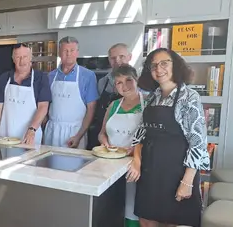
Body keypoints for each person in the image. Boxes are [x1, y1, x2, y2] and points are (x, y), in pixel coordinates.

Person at [131, 48, 209, 227]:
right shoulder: (152, 97)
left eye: (164, 63)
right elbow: (142, 133)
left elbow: (198, 143)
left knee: (173, 223)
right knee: (146, 221)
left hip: (177, 174)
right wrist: (136, 160)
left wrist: (187, 181)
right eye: (153, 66)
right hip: (150, 172)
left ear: (176, 65)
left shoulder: (189, 97)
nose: (159, 69)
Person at [97, 64, 144, 227]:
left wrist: (136, 152)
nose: (124, 86)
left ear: (136, 80)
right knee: (111, 209)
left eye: (128, 80)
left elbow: (152, 137)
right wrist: (104, 142)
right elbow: (102, 133)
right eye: (118, 82)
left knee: (133, 209)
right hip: (111, 166)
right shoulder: (113, 106)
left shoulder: (149, 104)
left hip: (136, 167)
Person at [0, 43, 52, 145]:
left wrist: (32, 129)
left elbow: (43, 107)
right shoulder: (4, 78)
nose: (22, 61)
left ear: (30, 58)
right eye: (18, 57)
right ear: (13, 59)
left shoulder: (40, 78)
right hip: (6, 138)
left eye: (25, 57)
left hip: (30, 138)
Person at [45, 36, 99, 149]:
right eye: (65, 50)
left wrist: (78, 136)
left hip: (76, 131)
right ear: (59, 52)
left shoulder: (88, 76)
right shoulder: (50, 76)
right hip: (52, 131)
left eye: (72, 50)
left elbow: (91, 108)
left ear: (77, 52)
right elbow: (45, 105)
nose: (68, 54)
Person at [89, 43, 132, 150]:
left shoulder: (139, 82)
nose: (117, 61)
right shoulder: (102, 82)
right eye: (113, 58)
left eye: (121, 57)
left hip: (128, 140)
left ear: (130, 57)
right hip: (103, 139)